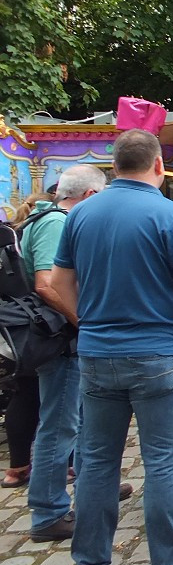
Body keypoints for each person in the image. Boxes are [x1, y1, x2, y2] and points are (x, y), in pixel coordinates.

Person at [51, 129, 173, 565]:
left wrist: (88, 321)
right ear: (159, 166)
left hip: (97, 354)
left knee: (97, 462)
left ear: (113, 167)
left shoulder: (81, 214)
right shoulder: (170, 214)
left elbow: (59, 282)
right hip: (157, 352)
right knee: (163, 463)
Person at [23, 167, 116, 543]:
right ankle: (48, 511)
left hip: (66, 338)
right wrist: (85, 321)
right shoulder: (57, 224)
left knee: (78, 420)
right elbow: (47, 284)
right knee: (59, 424)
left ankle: (95, 485)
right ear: (91, 196)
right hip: (61, 339)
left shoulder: (54, 220)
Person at [1, 192, 54, 489]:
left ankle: (18, 467)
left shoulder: (19, 231)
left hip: (16, 324)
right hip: (40, 324)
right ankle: (61, 471)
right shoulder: (50, 225)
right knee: (53, 403)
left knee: (24, 392)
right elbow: (46, 285)